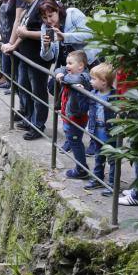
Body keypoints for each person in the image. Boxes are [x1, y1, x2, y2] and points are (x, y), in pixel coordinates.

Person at [2, 0, 49, 139]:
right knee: (25, 86)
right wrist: (13, 45)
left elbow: (48, 33)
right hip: (25, 55)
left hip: (37, 58)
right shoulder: (31, 4)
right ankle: (29, 119)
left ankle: (38, 125)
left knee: (38, 91)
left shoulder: (44, 5)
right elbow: (22, 28)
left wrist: (26, 33)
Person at [54, 50, 92, 179]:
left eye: (70, 63)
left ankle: (81, 169)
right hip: (68, 116)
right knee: (73, 140)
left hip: (77, 118)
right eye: (67, 63)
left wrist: (61, 77)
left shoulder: (84, 77)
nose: (67, 66)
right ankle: (81, 167)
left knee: (76, 142)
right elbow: (60, 69)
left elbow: (73, 78)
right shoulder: (70, 73)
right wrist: (59, 73)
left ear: (80, 66)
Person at [84, 63, 117, 194]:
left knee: (113, 159)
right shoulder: (93, 93)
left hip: (110, 133)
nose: (90, 81)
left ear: (103, 82)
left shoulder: (115, 97)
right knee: (99, 156)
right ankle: (98, 178)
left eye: (93, 79)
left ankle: (112, 184)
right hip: (96, 130)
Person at [40, 1, 99, 69]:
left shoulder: (72, 13)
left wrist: (65, 37)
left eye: (50, 16)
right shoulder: (45, 27)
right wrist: (46, 47)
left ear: (57, 10)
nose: (48, 20)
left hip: (89, 62)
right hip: (67, 69)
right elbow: (48, 58)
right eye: (44, 18)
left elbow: (90, 35)